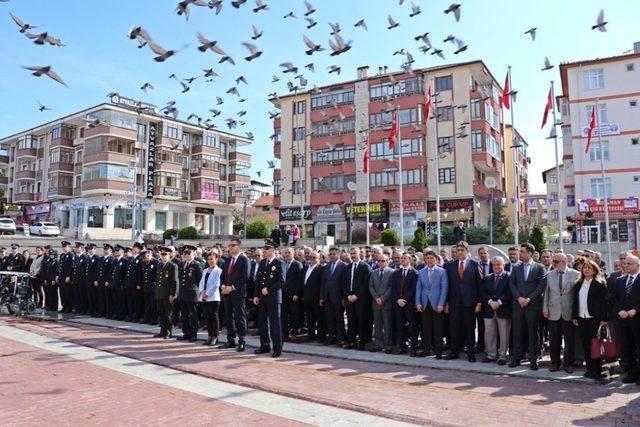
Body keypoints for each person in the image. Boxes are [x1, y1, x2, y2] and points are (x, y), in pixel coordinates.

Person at [509, 243, 547, 370]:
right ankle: (516, 358)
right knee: (517, 332)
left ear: (530, 253)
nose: (520, 254)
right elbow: (512, 284)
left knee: (533, 333)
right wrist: (519, 298)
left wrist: (529, 299)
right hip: (518, 305)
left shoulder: (540, 267)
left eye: (522, 251)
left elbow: (541, 285)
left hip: (533, 305)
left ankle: (533, 360)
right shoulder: (516, 267)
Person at [445, 241, 482, 362]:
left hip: (469, 303)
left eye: (462, 250)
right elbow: (447, 286)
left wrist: (479, 303)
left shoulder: (475, 265)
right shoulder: (449, 266)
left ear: (467, 251)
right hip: (454, 303)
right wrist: (446, 303)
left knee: (469, 328)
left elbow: (480, 286)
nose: (460, 252)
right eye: (458, 250)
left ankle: (470, 352)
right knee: (454, 328)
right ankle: (454, 351)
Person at [573, 259, 609, 382]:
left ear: (594, 270)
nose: (586, 269)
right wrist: (574, 316)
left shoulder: (600, 283)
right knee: (586, 344)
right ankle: (589, 369)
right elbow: (575, 302)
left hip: (595, 319)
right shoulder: (578, 283)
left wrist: (604, 318)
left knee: (595, 345)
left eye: (589, 268)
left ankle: (596, 371)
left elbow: (605, 303)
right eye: (584, 268)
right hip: (582, 318)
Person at [543, 253, 579, 373]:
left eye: (556, 261)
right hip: (553, 311)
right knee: (554, 339)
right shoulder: (549, 275)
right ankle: (555, 362)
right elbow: (546, 293)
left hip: (568, 312)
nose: (553, 263)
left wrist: (576, 313)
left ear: (564, 262)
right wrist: (545, 308)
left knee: (569, 340)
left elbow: (577, 295)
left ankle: (568, 363)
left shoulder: (575, 274)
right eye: (553, 261)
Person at [612, 255, 640, 384]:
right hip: (623, 320)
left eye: (629, 263)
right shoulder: (620, 280)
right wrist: (620, 310)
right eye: (625, 263)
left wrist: (635, 310)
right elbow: (614, 298)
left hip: (637, 320)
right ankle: (631, 374)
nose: (626, 265)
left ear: (637, 265)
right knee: (628, 349)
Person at [253, 239, 284, 357]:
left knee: (275, 324)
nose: (264, 251)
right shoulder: (262, 262)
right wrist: (256, 295)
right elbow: (259, 281)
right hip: (262, 298)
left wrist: (269, 289)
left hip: (273, 298)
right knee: (262, 323)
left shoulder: (278, 263)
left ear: (273, 250)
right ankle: (265, 346)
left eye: (266, 249)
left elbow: (281, 282)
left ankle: (277, 348)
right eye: (264, 248)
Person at [415, 250, 448, 359]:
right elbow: (418, 289)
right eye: (427, 258)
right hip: (425, 304)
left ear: (436, 260)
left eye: (431, 258)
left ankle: (438, 351)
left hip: (437, 304)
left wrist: (441, 304)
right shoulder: (421, 272)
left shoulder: (442, 272)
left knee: (438, 329)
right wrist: (418, 302)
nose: (429, 260)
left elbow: (444, 289)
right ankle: (426, 350)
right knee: (426, 329)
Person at [219, 238, 250, 351]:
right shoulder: (227, 260)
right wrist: (223, 287)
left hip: (238, 293)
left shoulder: (243, 259)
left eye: (233, 245)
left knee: (239, 317)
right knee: (229, 317)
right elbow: (222, 276)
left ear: (239, 247)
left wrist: (232, 287)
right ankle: (230, 340)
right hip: (227, 293)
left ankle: (242, 340)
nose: (230, 247)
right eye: (229, 245)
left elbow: (245, 277)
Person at [481, 256, 512, 365]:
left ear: (503, 265)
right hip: (489, 310)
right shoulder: (488, 277)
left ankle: (502, 356)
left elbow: (509, 292)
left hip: (503, 309)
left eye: (498, 264)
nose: (496, 266)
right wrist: (490, 302)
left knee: (504, 334)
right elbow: (483, 292)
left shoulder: (509, 276)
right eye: (494, 265)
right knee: (489, 333)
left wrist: (498, 302)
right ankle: (491, 355)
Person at [343, 247, 373, 350]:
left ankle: (362, 342)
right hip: (350, 299)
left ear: (360, 254)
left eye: (354, 253)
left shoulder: (365, 267)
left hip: (361, 299)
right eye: (351, 253)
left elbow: (366, 284)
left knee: (362, 321)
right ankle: (352, 342)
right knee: (351, 321)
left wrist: (357, 295)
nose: (352, 255)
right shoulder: (347, 267)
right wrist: (348, 295)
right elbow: (345, 284)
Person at [390, 253, 419, 356]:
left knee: (412, 327)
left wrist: (404, 300)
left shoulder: (415, 273)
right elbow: (393, 288)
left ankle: (413, 348)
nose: (402, 260)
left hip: (409, 304)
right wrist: (398, 299)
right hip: (398, 304)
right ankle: (402, 347)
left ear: (410, 260)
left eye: (404, 258)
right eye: (401, 258)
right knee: (399, 326)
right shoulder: (396, 273)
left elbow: (413, 289)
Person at [320, 247, 348, 347]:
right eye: (330, 254)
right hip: (328, 298)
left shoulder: (344, 266)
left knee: (339, 319)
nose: (331, 256)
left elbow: (345, 284)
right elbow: (324, 282)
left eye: (333, 254)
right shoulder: (327, 266)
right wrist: (322, 297)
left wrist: (344, 298)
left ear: (338, 254)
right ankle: (331, 337)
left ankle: (340, 339)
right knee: (330, 319)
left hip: (338, 298)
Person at [176, 245, 203, 342]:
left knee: (193, 315)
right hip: (183, 293)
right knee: (184, 315)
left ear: (194, 254)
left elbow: (200, 280)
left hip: (192, 293)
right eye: (185, 253)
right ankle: (186, 333)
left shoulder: (196, 264)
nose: (186, 255)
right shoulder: (182, 264)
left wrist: (200, 292)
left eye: (189, 253)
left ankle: (193, 334)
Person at [369, 255, 394, 353]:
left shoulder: (391, 272)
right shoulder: (373, 272)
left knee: (387, 325)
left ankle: (388, 345)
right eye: (379, 261)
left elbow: (391, 288)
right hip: (376, 303)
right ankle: (378, 344)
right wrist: (376, 297)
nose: (380, 262)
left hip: (387, 303)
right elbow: (370, 286)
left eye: (383, 261)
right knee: (378, 325)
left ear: (387, 261)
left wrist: (383, 298)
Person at [199, 250, 222, 346]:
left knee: (214, 316)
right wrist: (201, 291)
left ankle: (215, 336)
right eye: (208, 259)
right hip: (204, 297)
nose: (210, 261)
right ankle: (210, 335)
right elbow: (201, 282)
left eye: (212, 259)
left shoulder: (218, 271)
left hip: (213, 297)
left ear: (216, 259)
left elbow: (216, 284)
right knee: (207, 317)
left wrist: (207, 293)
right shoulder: (205, 270)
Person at [154, 247, 178, 339]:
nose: (163, 256)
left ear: (169, 255)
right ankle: (162, 331)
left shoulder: (173, 266)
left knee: (168, 314)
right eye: (162, 254)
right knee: (161, 313)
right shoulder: (159, 265)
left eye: (165, 255)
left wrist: (172, 294)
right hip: (160, 293)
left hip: (168, 294)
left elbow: (174, 281)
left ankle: (168, 332)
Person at [281, 247, 303, 343]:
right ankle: (284, 334)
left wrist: (296, 293)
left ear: (293, 254)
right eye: (285, 252)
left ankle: (294, 334)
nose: (287, 254)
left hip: (293, 295)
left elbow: (300, 281)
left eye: (289, 252)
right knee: (284, 315)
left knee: (294, 315)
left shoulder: (297, 265)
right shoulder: (283, 264)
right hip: (283, 294)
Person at [302, 250, 325, 342]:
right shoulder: (305, 268)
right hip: (307, 298)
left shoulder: (321, 269)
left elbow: (323, 284)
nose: (311, 259)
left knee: (319, 319)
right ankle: (310, 335)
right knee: (310, 318)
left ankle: (320, 337)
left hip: (317, 298)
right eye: (310, 257)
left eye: (314, 257)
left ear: (318, 259)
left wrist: (321, 297)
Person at [140, 249, 159, 325]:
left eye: (144, 257)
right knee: (147, 304)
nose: (143, 259)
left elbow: (157, 276)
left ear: (149, 255)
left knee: (153, 304)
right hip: (146, 286)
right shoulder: (144, 262)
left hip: (153, 287)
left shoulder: (156, 262)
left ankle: (154, 319)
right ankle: (147, 318)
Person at [56, 241, 75, 313]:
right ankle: (64, 306)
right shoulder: (62, 255)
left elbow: (71, 267)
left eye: (65, 247)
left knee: (68, 292)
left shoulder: (71, 255)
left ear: (68, 247)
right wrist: (57, 275)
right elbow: (59, 267)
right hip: (61, 276)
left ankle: (69, 307)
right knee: (62, 292)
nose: (64, 248)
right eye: (63, 247)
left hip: (66, 276)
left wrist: (68, 276)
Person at [85, 244, 100, 316]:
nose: (90, 250)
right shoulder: (88, 258)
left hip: (93, 280)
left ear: (94, 249)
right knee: (89, 296)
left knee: (94, 296)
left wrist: (95, 279)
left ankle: (96, 310)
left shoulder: (96, 258)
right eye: (89, 249)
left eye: (91, 249)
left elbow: (97, 270)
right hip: (88, 279)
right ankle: (90, 309)